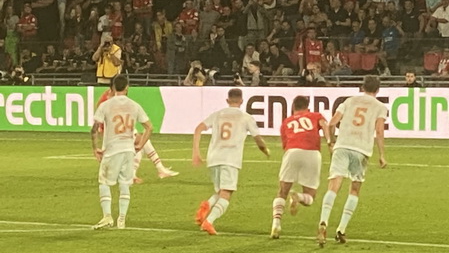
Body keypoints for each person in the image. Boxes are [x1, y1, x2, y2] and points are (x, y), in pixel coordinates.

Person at [318, 75, 388, 246]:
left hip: (342, 146)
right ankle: (341, 229)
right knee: (354, 189)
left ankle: (323, 221)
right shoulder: (380, 107)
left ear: (362, 87)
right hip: (361, 150)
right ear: (377, 90)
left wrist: (331, 141)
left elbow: (332, 122)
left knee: (334, 185)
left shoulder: (349, 101)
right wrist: (382, 155)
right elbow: (379, 131)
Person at [192, 87, 269, 235]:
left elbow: (198, 128)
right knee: (226, 193)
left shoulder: (218, 114)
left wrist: (196, 152)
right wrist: (265, 150)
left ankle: (206, 205)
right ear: (241, 100)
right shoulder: (246, 117)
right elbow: (258, 139)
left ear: (227, 100)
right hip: (230, 159)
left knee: (220, 191)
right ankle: (209, 221)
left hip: (213, 158)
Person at [90, 74, 153, 230]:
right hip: (128, 150)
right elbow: (149, 127)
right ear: (127, 87)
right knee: (125, 183)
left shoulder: (105, 105)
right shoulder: (134, 105)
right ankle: (122, 220)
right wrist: (140, 145)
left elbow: (94, 129)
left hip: (112, 150)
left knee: (104, 182)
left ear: (112, 88)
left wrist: (95, 148)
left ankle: (107, 217)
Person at [272, 95, 329, 240]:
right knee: (310, 196)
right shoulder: (315, 115)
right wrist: (329, 141)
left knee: (282, 191)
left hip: (292, 152)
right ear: (307, 107)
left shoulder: (287, 122)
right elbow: (324, 125)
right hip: (312, 153)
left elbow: (284, 145)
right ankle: (298, 197)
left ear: (293, 108)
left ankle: (276, 224)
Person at [97, 85, 178, 182]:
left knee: (142, 142)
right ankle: (159, 169)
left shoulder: (109, 97)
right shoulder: (110, 99)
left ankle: (140, 173)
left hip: (119, 131)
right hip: (117, 133)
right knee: (142, 141)